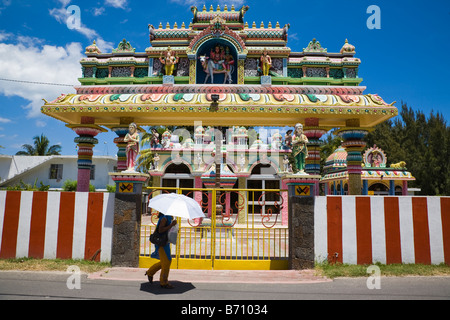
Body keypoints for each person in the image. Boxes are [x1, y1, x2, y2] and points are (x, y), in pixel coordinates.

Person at [145, 213, 178, 288]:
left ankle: (150, 272)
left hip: (165, 242)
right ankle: (163, 282)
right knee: (167, 261)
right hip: (162, 243)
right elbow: (160, 230)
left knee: (165, 261)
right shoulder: (164, 218)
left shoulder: (168, 217)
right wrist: (171, 225)